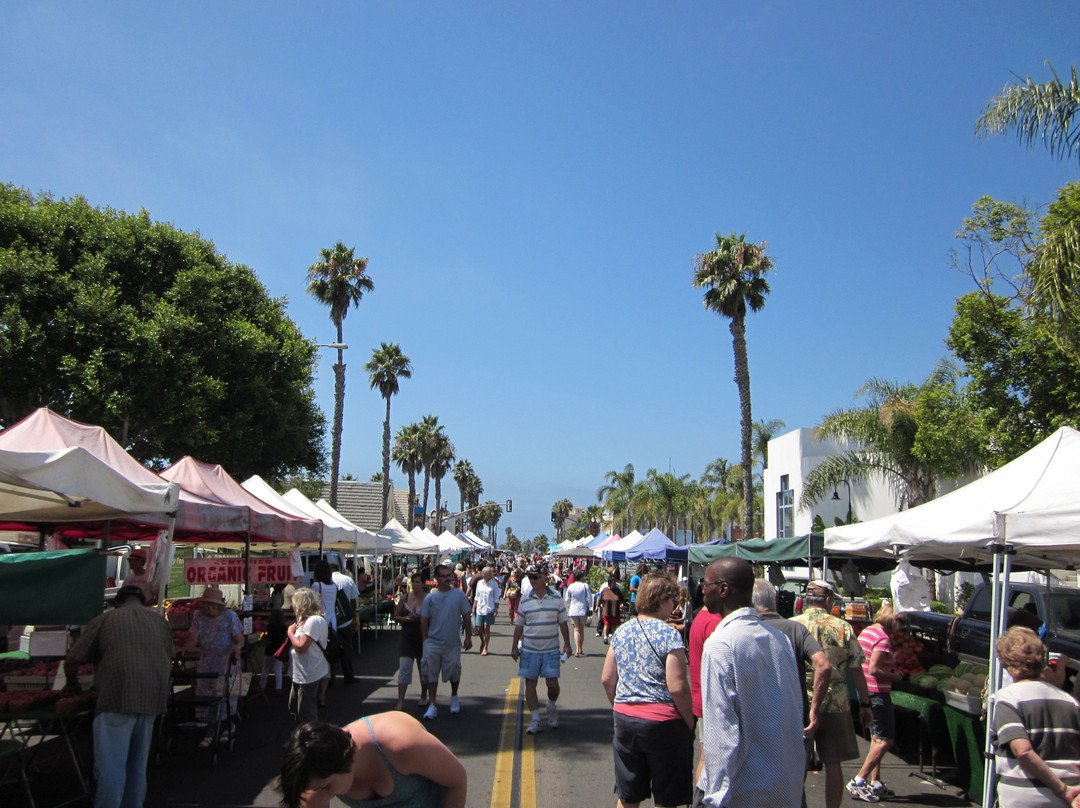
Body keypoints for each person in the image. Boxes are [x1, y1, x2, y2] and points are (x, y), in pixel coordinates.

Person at [696, 559, 805, 808]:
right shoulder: (780, 640)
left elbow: (721, 731)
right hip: (786, 785)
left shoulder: (720, 645)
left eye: (706, 583)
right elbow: (794, 710)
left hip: (744, 791)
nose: (702, 589)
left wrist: (713, 797)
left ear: (723, 589)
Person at [62, 584, 173, 808]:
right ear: (142, 601)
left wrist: (72, 684)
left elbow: (73, 660)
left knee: (111, 767)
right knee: (136, 766)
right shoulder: (160, 621)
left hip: (117, 696)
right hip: (152, 696)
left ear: (118, 602)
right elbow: (169, 656)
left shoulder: (105, 619)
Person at [601, 572, 694, 808]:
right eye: (672, 600)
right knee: (668, 797)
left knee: (628, 795)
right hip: (663, 723)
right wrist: (689, 722)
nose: (674, 605)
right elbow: (678, 687)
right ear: (661, 600)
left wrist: (621, 705)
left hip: (626, 719)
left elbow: (607, 679)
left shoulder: (621, 632)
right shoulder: (670, 635)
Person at [792, 580, 873, 808]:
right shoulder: (841, 627)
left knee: (796, 765)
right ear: (828, 601)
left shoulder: (792, 625)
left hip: (800, 703)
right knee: (834, 764)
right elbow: (857, 668)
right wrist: (866, 704)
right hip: (836, 702)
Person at [276, 712, 467, 808]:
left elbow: (457, 781)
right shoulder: (318, 779)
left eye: (326, 787)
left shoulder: (400, 743)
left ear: (343, 759)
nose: (324, 796)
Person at [752, 579, 832, 806]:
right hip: (795, 718)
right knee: (794, 787)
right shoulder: (796, 629)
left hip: (759, 718)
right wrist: (814, 711)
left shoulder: (748, 629)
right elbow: (823, 665)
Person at [992, 626, 1080, 808]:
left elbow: (1022, 750)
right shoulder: (1070, 702)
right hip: (1067, 799)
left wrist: (1061, 789)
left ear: (1008, 665)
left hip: (1025, 797)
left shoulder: (1008, 699)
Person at [847, 603, 904, 802]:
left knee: (876, 739)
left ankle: (875, 781)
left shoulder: (868, 631)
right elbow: (874, 669)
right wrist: (894, 676)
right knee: (887, 739)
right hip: (878, 692)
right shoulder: (883, 638)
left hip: (866, 690)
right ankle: (859, 779)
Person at [512, 564, 571, 735]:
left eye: (536, 577)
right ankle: (536, 719)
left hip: (551, 649)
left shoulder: (556, 598)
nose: (532, 580)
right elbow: (519, 624)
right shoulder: (525, 598)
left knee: (552, 684)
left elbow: (563, 622)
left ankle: (551, 706)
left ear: (545, 579)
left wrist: (567, 644)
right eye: (530, 577)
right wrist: (515, 646)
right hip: (530, 649)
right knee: (530, 683)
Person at [188, 585, 244, 747]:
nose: (208, 609)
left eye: (211, 605)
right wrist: (184, 648)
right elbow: (192, 637)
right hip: (207, 662)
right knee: (207, 696)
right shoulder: (199, 616)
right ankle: (211, 729)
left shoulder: (229, 616)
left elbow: (239, 639)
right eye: (206, 605)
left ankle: (225, 726)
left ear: (218, 606)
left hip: (225, 662)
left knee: (223, 695)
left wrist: (237, 647)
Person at [420, 563, 473, 720]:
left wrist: (468, 637)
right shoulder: (431, 597)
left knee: (454, 672)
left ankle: (454, 696)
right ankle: (432, 705)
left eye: (449, 575)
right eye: (444, 576)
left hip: (452, 642)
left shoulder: (459, 595)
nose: (447, 578)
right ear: (436, 578)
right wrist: (425, 641)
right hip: (433, 642)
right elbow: (423, 620)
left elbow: (467, 617)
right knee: (431, 674)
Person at [287, 587, 330, 724]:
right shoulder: (302, 620)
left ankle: (311, 740)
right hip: (300, 672)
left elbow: (301, 647)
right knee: (295, 706)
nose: (292, 606)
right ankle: (301, 737)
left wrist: (290, 634)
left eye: (294, 602)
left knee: (306, 711)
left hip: (309, 671)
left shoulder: (314, 621)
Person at [312, 559, 350, 700]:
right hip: (332, 623)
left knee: (318, 655)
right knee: (328, 655)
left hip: (320, 623)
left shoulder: (317, 586)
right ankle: (325, 688)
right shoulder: (333, 587)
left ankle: (318, 689)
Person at [394, 571, 430, 711]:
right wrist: (405, 619)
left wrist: (422, 619)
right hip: (407, 637)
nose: (415, 585)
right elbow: (396, 616)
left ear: (423, 584)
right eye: (413, 582)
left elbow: (433, 617)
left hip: (423, 637)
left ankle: (423, 695)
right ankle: (400, 701)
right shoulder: (405, 597)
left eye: (417, 582)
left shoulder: (428, 598)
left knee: (424, 670)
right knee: (404, 669)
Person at [332, 563, 361, 682]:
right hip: (346, 620)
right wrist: (352, 614)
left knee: (331, 648)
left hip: (330, 620)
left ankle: (330, 677)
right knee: (347, 647)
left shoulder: (324, 582)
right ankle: (348, 675)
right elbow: (354, 600)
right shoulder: (348, 580)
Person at [471, 566, 501, 656]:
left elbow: (496, 598)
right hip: (480, 608)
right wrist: (474, 607)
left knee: (486, 628)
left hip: (489, 608)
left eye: (485, 574)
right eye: (482, 573)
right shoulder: (480, 583)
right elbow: (477, 596)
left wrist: (496, 609)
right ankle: (482, 641)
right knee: (478, 628)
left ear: (489, 575)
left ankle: (485, 647)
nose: (483, 575)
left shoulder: (494, 584)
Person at [563, 568, 593, 657]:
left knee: (576, 629)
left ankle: (577, 649)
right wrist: (590, 606)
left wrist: (567, 607)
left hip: (573, 610)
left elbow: (566, 599)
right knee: (581, 629)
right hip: (583, 609)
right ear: (581, 577)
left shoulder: (571, 586)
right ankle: (580, 648)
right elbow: (590, 598)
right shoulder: (585, 586)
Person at [259, 607, 288, 694]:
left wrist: (263, 636)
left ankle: (262, 686)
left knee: (265, 668)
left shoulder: (270, 627)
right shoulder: (284, 627)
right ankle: (278, 688)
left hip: (270, 650)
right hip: (279, 649)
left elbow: (267, 637)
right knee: (278, 669)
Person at [599, 575, 625, 645]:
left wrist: (622, 603)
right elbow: (600, 599)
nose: (614, 584)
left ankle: (613, 638)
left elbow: (622, 598)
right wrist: (597, 606)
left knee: (614, 625)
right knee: (607, 624)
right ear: (609, 583)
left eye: (615, 583)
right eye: (613, 583)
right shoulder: (605, 590)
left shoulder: (618, 591)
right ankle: (605, 637)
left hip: (615, 610)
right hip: (606, 610)